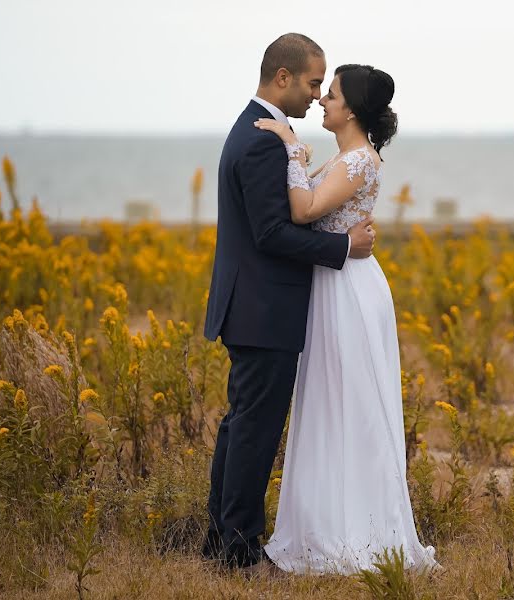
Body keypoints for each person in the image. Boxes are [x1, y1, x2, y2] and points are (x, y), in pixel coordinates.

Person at [252, 63, 438, 574]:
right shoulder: (345, 157)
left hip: (348, 292)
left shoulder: (358, 161)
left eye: (330, 94)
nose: (323, 101)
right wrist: (302, 156)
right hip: (334, 283)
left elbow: (305, 211)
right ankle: (327, 519)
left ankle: (359, 530)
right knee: (330, 401)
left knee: (351, 402)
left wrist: (291, 149)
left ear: (351, 108)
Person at [201, 33, 376, 571]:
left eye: (325, 87)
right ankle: (240, 550)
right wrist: (344, 246)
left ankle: (222, 539)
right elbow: (272, 233)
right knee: (253, 429)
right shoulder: (259, 140)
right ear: (283, 78)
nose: (316, 94)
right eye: (312, 83)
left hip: (254, 305)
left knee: (241, 424)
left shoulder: (257, 131)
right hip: (263, 307)